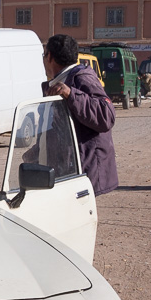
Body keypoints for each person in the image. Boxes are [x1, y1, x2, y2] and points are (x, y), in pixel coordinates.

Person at [41, 34, 117, 195]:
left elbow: (106, 115)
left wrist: (72, 95)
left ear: (50, 57)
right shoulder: (58, 82)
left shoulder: (82, 79)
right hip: (66, 169)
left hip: (83, 169)